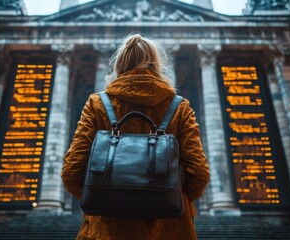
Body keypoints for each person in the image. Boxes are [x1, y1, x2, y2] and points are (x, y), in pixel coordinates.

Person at [61, 33, 210, 240]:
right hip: (170, 230)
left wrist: (108, 198)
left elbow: (71, 172)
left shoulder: (97, 104)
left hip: (107, 230)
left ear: (120, 64)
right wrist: (165, 198)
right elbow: (199, 174)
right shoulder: (180, 108)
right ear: (156, 65)